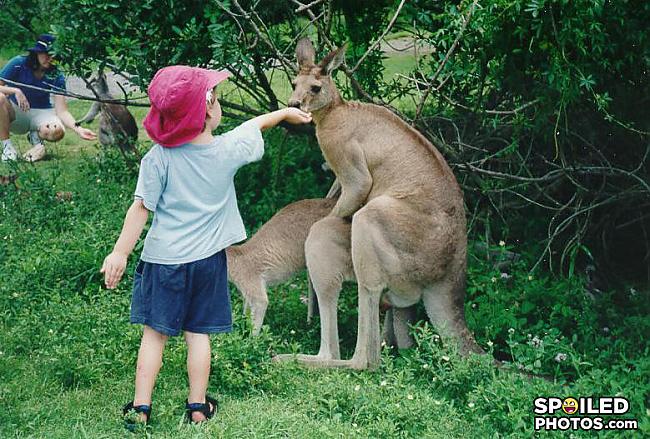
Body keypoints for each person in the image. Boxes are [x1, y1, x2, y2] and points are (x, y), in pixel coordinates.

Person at [100, 65, 312, 428]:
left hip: (164, 263)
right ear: (209, 110)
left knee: (155, 336)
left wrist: (119, 252)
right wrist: (285, 113)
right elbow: (256, 125)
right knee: (198, 335)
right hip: (208, 263)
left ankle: (141, 409)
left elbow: (140, 208)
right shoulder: (226, 150)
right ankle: (197, 407)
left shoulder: (158, 158)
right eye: (215, 98)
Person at [0, 34, 97, 162]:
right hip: (16, 112)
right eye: (46, 54)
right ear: (36, 53)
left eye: (53, 55)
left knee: (57, 131)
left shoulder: (56, 74)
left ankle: (36, 136)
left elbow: (62, 110)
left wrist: (78, 129)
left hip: (42, 113)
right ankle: (7, 148)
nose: (50, 58)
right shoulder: (18, 63)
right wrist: (15, 91)